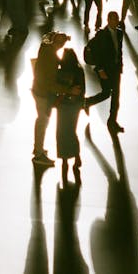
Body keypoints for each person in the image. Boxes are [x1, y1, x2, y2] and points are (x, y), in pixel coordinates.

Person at [31, 31, 81, 166]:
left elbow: (47, 36)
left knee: (42, 120)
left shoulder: (45, 47)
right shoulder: (51, 58)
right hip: (42, 93)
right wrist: (69, 90)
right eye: (62, 43)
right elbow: (50, 85)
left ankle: (38, 148)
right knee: (43, 121)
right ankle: (38, 154)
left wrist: (63, 37)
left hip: (37, 89)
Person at [84, 10, 124, 133]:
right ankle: (88, 102)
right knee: (106, 93)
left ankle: (112, 121)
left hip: (115, 68)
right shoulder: (101, 35)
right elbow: (97, 54)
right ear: (108, 20)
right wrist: (100, 69)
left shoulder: (119, 33)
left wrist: (120, 64)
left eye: (116, 20)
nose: (115, 22)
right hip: (105, 69)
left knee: (116, 95)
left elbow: (118, 50)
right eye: (112, 20)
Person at [56, 48, 85, 183]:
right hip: (75, 106)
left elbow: (57, 89)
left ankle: (65, 160)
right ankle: (77, 156)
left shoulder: (60, 72)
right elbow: (82, 90)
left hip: (63, 107)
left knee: (61, 132)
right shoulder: (79, 71)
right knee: (72, 131)